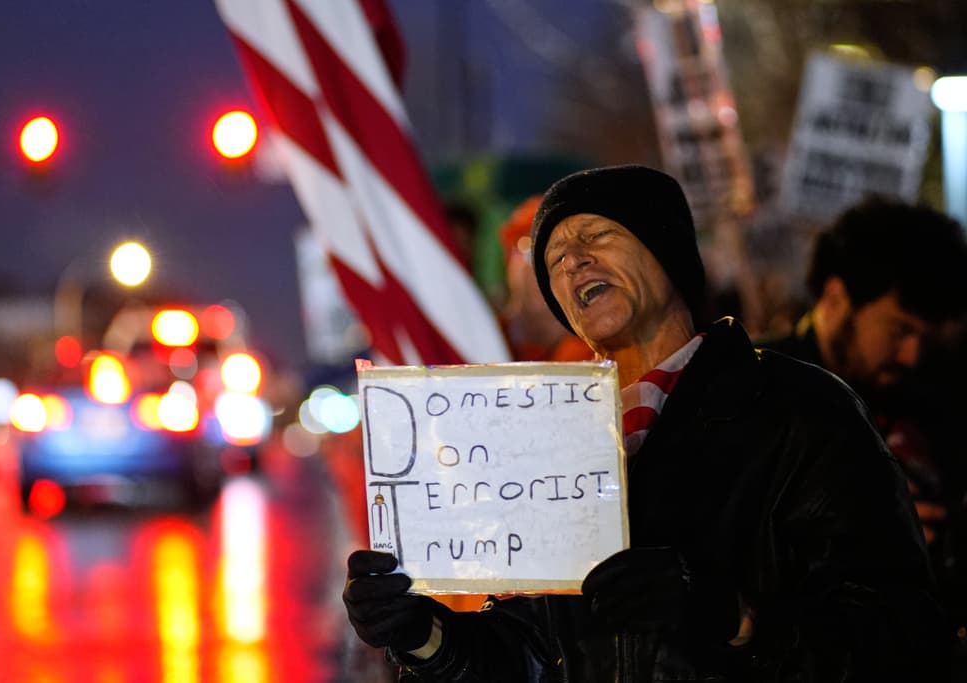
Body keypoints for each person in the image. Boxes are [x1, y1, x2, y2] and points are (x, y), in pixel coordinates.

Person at [343, 165, 945, 681]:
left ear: (667, 251)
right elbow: (532, 654)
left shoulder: (799, 408)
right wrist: (426, 636)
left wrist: (733, 619)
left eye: (597, 236)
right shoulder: (546, 441)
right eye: (554, 258)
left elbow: (902, 637)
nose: (574, 260)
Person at [757, 196, 967, 666]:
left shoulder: (937, 391)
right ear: (836, 297)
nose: (912, 354)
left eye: (926, 337)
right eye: (898, 330)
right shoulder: (751, 388)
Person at [497, 194, 594, 363]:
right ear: (510, 260)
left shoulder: (599, 347)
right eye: (529, 251)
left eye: (559, 256)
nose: (539, 269)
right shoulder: (481, 335)